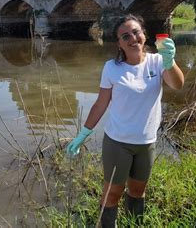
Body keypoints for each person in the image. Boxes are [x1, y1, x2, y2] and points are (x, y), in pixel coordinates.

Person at [66, 14, 184, 227]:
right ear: (119, 43)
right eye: (125, 36)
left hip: (146, 144)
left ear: (144, 35)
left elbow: (177, 84)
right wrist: (83, 134)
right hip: (117, 143)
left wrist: (171, 61)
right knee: (112, 194)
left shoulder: (158, 62)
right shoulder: (112, 68)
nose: (132, 38)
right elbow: (100, 104)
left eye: (136, 32)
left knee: (138, 192)